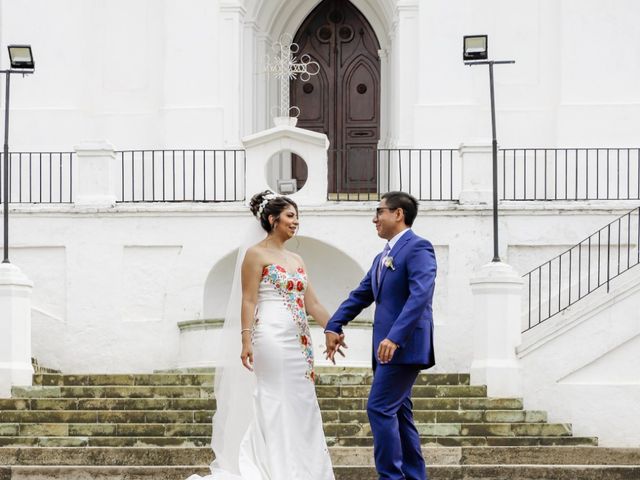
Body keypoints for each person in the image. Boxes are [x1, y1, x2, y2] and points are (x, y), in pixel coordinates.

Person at [188, 190, 335, 480]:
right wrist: (246, 339)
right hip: (270, 336)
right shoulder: (255, 254)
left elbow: (313, 303)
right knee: (274, 398)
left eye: (297, 217)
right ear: (272, 219)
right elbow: (248, 300)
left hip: (299, 342)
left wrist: (332, 328)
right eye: (290, 216)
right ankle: (276, 469)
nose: (296, 222)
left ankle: (304, 470)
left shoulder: (297, 258)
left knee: (302, 401)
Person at [324, 191, 436, 480]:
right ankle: (413, 476)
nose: (375, 219)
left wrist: (396, 337)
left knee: (379, 408)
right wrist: (333, 325)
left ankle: (391, 477)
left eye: (380, 212)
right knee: (399, 413)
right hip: (386, 349)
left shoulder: (418, 247)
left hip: (403, 346)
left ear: (398, 214)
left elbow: (420, 296)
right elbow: (361, 295)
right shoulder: (382, 257)